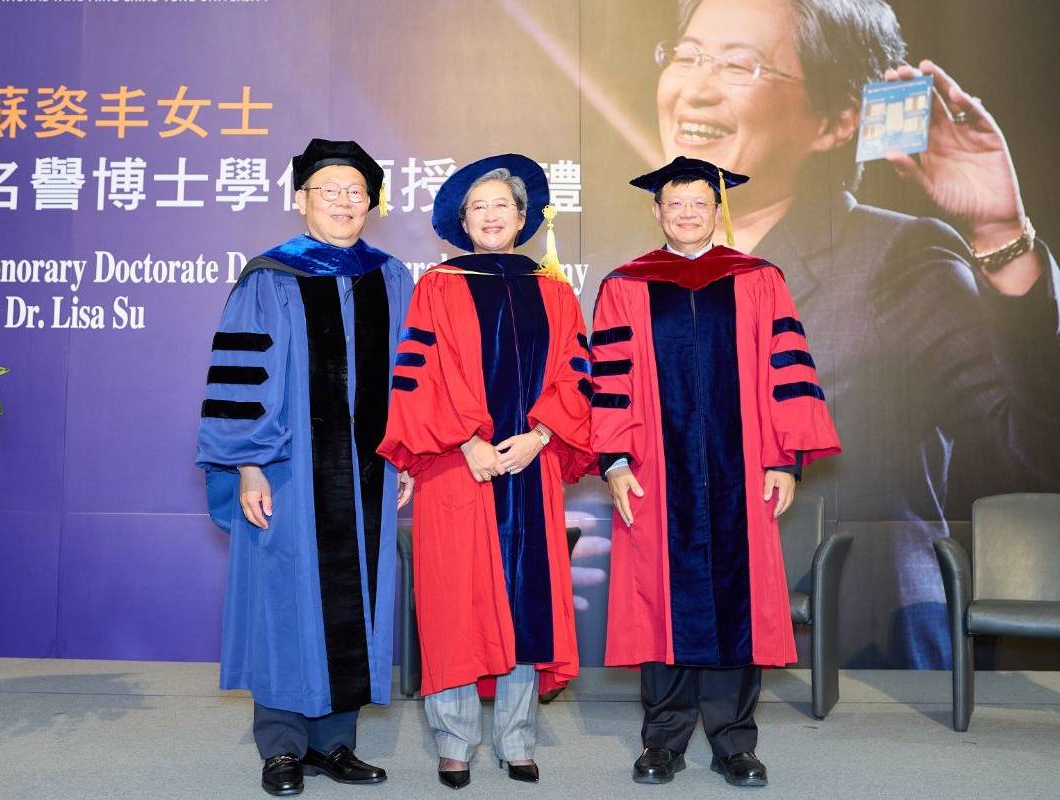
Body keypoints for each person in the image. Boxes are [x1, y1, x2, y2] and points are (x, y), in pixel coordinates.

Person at [641, 0, 1060, 668]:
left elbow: (1032, 454)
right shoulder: (637, 279)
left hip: (857, 658)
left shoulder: (899, 259)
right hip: (684, 640)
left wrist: (1001, 234)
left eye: (740, 65)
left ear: (835, 120)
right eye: (688, 56)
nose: (697, 87)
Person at [591, 156, 841, 787]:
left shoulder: (758, 279)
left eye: (699, 202)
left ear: (717, 210)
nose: (687, 213)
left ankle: (735, 743)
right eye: (675, 203)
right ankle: (662, 741)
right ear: (657, 211)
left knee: (739, 600)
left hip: (742, 469)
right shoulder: (627, 284)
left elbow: (785, 369)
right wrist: (615, 462)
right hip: (656, 471)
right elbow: (611, 381)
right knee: (659, 601)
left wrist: (784, 460)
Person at [196, 138, 413, 797]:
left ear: (371, 204)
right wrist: (249, 464)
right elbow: (242, 379)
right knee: (285, 602)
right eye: (329, 191)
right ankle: (284, 748)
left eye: (356, 193)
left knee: (358, 601)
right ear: (301, 200)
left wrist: (405, 455)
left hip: (369, 473)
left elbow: (409, 378)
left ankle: (335, 744)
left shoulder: (390, 277)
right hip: (289, 472)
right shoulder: (269, 276)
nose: (344, 203)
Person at [378, 154, 592, 789]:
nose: (492, 215)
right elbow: (420, 374)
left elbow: (577, 372)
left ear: (523, 219)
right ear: (463, 222)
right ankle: (454, 739)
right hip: (456, 467)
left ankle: (517, 738)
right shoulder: (438, 287)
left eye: (503, 205)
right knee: (454, 603)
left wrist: (542, 434)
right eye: (480, 207)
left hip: (530, 463)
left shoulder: (555, 291)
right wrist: (465, 440)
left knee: (527, 602)